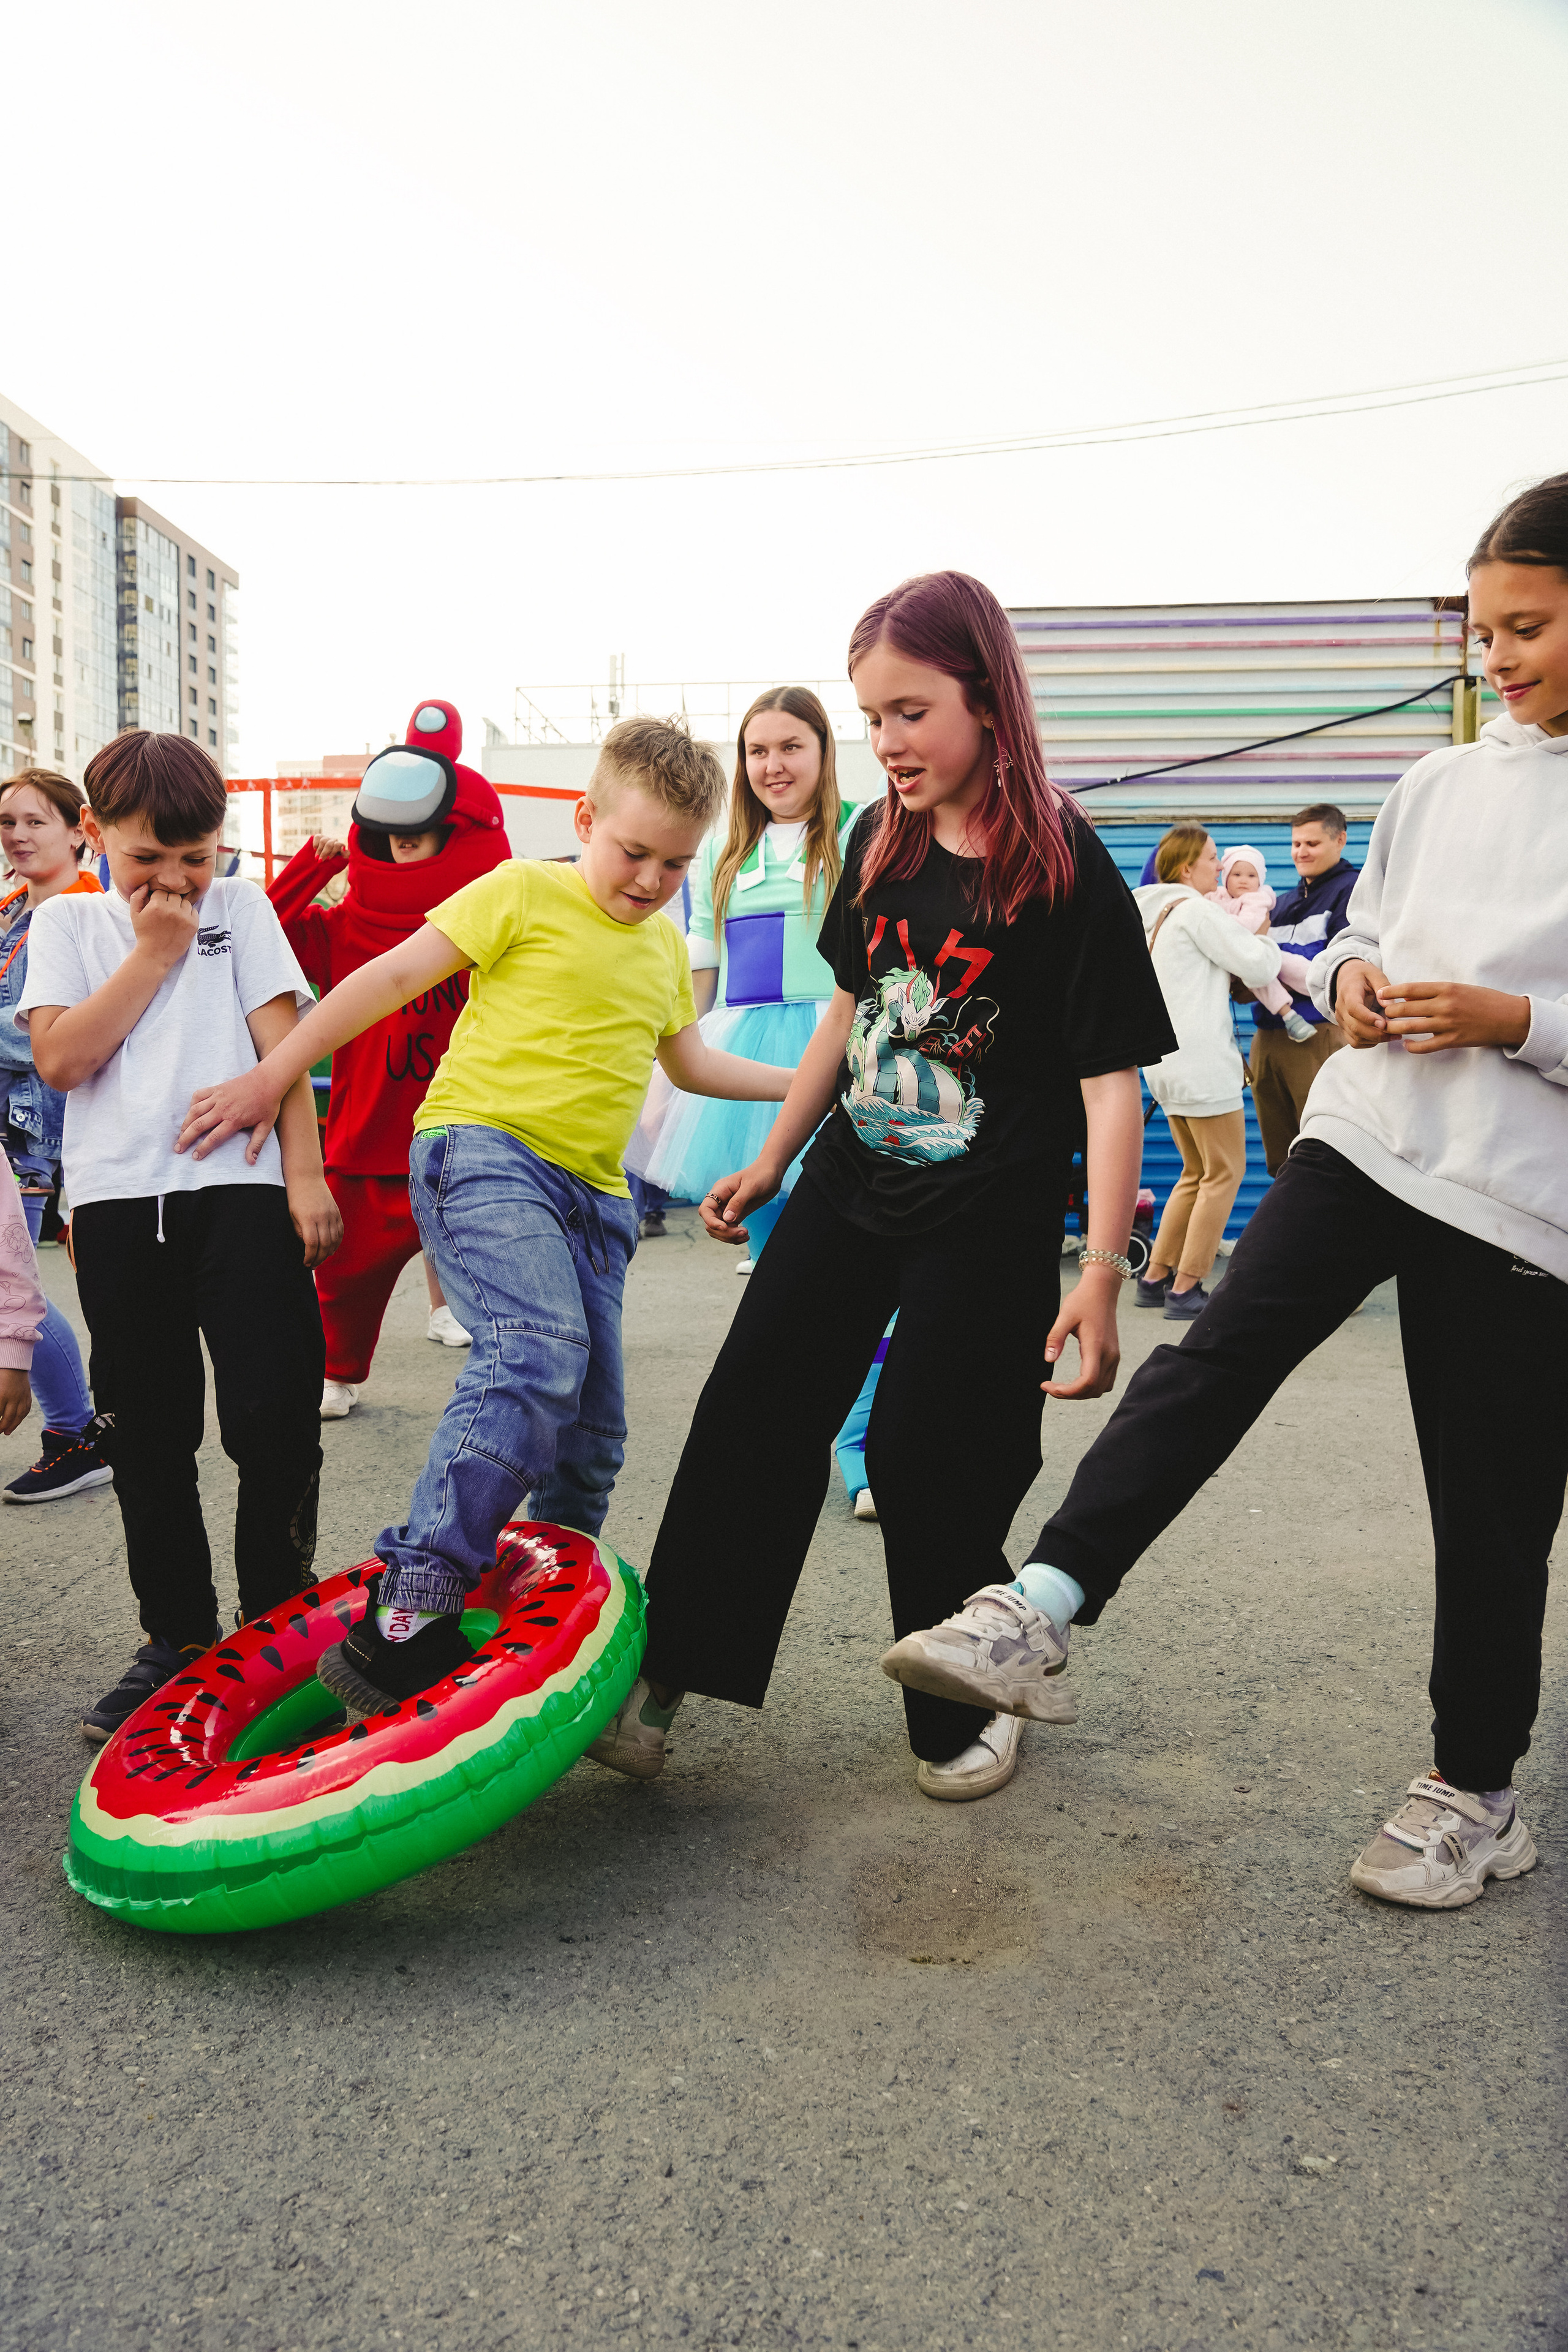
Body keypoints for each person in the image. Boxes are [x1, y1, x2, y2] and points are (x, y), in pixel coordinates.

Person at [883, 475, 1568, 1908]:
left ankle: (1474, 1788)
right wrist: (1354, 977)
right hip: (1368, 1130)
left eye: (1527, 627)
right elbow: (1349, 938)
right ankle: (1037, 1606)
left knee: (1487, 1496)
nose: (1495, 659)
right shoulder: (1438, 784)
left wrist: (1515, 1021)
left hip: (1519, 1196)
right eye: (1484, 631)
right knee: (1215, 1356)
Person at [590, 570, 1175, 1804]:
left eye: (908, 711)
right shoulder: (875, 839)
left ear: (983, 692)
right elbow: (850, 1013)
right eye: (871, 717)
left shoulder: (1063, 862)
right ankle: (671, 1670)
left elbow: (1109, 1086)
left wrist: (1098, 1278)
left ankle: (964, 1683)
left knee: (925, 1452)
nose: (887, 743)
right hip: (850, 1183)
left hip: (989, 1214)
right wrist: (770, 1157)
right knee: (752, 1407)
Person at [175, 715, 795, 1714]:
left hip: (595, 1201)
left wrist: (813, 1079)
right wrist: (273, 1074)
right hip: (485, 1152)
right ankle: (413, 1599)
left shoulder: (664, 949)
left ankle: (550, 1607)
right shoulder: (524, 891)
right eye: (633, 853)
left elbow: (694, 1065)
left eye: (676, 865)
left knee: (593, 1434)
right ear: (587, 819)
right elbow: (386, 978)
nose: (649, 880)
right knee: (535, 1348)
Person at [17, 730, 341, 1744]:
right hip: (118, 1206)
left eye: (194, 858)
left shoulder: (241, 907)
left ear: (220, 844)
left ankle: (279, 1626)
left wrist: (305, 1174)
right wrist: (154, 952)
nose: (175, 879)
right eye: (145, 858)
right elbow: (63, 1060)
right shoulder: (68, 921)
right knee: (149, 1432)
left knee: (273, 1413)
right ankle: (177, 1637)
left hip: (239, 1193)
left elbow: (282, 1042)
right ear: (95, 833)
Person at [266, 701, 513, 1417]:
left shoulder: (494, 926)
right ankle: (336, 1369)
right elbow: (262, 941)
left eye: (423, 837)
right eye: (390, 838)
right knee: (338, 1280)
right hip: (366, 1146)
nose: (404, 851)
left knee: (507, 1283)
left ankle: (517, 1381)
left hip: (470, 1144)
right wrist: (312, 868)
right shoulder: (346, 927)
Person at [631, 687, 851, 1272]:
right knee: (768, 1232)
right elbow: (700, 965)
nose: (773, 766)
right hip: (743, 1046)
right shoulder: (723, 848)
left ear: (824, 751)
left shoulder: (862, 831)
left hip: (833, 1034)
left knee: (840, 1217)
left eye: (791, 747)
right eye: (757, 751)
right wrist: (672, 1068)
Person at [0, 768, 113, 1501]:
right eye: (7, 822)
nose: (16, 835)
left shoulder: (85, 915)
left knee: (12, 1292)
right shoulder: (14, 908)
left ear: (79, 828)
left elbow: (47, 1033)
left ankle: (75, 1432)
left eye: (34, 821)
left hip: (29, 1128)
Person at [1132, 824, 1284, 1322]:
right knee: (1225, 1172)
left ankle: (1155, 1278)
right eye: (1213, 858)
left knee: (1194, 1172)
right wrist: (1264, 935)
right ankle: (1187, 1287)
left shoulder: (1148, 911)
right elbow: (1258, 968)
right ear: (1185, 869)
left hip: (1164, 1064)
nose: (1220, 867)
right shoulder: (1196, 911)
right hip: (1202, 1064)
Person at [1246, 802, 1359, 1173]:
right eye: (1296, 844)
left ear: (1340, 840)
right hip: (1267, 1038)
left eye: (1312, 843)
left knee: (1324, 1154)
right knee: (1280, 1162)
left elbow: (1332, 965)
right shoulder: (1280, 903)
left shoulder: (1353, 893)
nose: (1301, 852)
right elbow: (1251, 965)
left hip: (1319, 1035)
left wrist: (1268, 954)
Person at [1205, 843, 1314, 1030]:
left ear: (1260, 880)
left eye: (1251, 876)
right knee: (1256, 972)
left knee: (1291, 965)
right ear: (1225, 877)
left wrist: (1219, 921)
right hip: (1232, 956)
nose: (1244, 881)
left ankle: (1323, 984)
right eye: (1236, 875)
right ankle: (1288, 1015)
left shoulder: (1257, 899)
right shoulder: (1214, 896)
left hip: (1259, 948)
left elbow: (1249, 926)